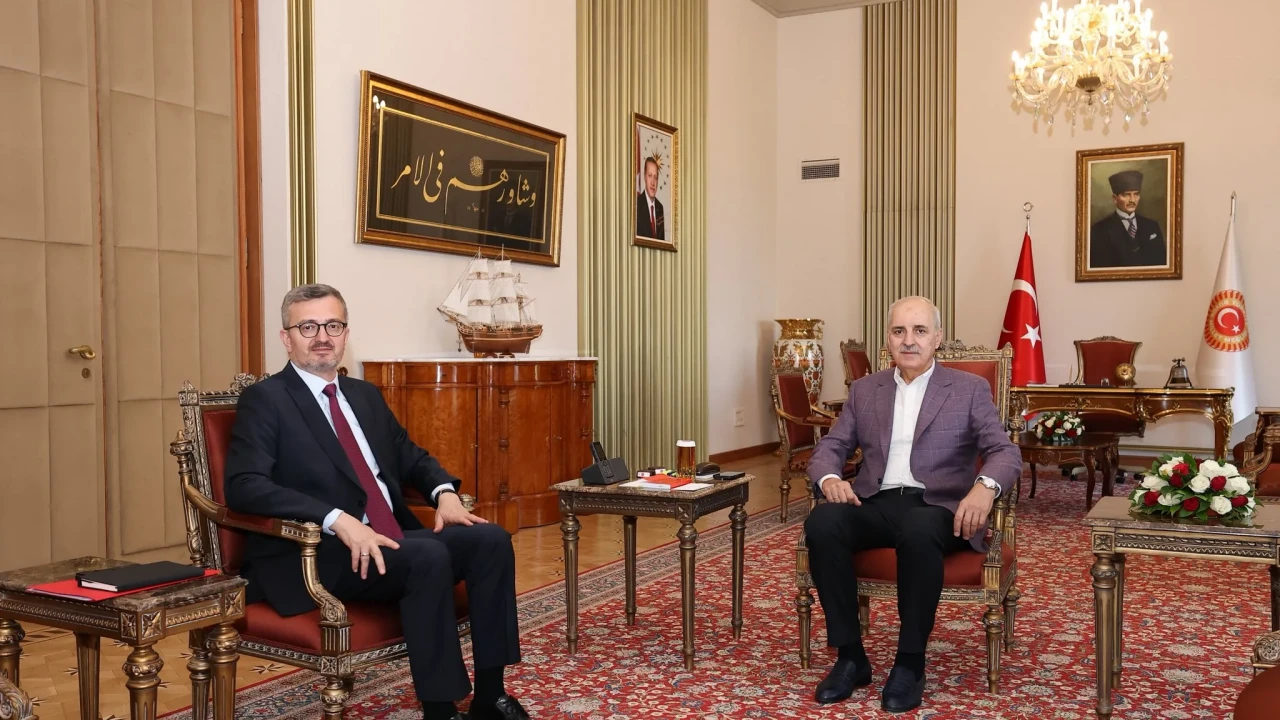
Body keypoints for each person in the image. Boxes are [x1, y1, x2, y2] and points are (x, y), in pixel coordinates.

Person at [224, 284, 529, 720]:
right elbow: (244, 485)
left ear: (346, 334)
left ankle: (490, 697)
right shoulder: (266, 399)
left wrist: (444, 494)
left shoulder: (363, 395)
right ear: (285, 338)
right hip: (320, 553)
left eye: (333, 325)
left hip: (389, 538)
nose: (322, 337)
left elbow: (411, 457)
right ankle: (440, 709)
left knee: (490, 540)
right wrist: (336, 518)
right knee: (426, 557)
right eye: (308, 327)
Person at [803, 296, 1021, 714]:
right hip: (877, 501)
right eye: (899, 331)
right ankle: (851, 657)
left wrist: (985, 487)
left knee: (918, 529)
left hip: (939, 507)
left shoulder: (968, 389)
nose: (909, 341)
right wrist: (829, 478)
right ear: (888, 339)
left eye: (920, 331)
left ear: (937, 338)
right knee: (824, 523)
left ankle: (909, 663)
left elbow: (1004, 451)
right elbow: (831, 446)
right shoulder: (865, 390)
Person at [1089, 169, 1167, 268]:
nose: (1132, 200)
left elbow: (1162, 262)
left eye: (1136, 194)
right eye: (1126, 195)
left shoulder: (1152, 226)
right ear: (1115, 198)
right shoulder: (1099, 230)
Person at [635, 157, 665, 240]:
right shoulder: (637, 205)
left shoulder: (660, 208)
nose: (653, 182)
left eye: (655, 177)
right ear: (644, 177)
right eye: (650, 176)